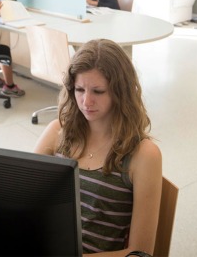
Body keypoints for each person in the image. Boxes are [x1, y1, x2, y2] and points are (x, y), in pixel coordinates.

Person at [34, 39, 162, 255]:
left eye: (98, 91)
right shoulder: (57, 132)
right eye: (79, 89)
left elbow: (141, 252)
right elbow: (23, 198)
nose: (86, 101)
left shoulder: (143, 155)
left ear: (120, 92)